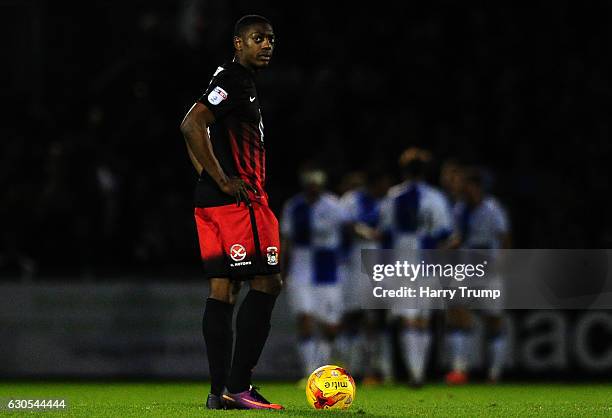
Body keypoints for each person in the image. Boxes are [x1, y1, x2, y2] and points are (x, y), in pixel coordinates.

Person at [180, 15, 283, 410]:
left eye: (271, 39)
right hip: (238, 204)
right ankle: (239, 386)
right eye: (258, 38)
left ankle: (219, 391)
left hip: (209, 203)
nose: (267, 45)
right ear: (238, 43)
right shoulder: (235, 80)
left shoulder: (224, 78)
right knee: (268, 282)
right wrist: (223, 180)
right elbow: (191, 125)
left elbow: (195, 128)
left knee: (223, 289)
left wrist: (208, 177)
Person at [378, 147, 453, 387]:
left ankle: (414, 372)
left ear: (403, 170)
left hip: (401, 263)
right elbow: (444, 233)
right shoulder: (436, 197)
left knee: (409, 319)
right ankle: (419, 373)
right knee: (424, 319)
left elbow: (385, 234)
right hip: (428, 262)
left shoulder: (393, 196)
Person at [445, 167, 511, 384]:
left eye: (470, 186)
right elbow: (456, 238)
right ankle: (459, 369)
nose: (467, 191)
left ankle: (494, 373)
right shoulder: (459, 210)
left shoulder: (493, 209)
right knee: (457, 312)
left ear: (478, 188)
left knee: (493, 320)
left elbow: (504, 239)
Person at [281, 167, 348, 382]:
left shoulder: (334, 205)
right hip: (301, 271)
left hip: (328, 272)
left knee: (330, 327)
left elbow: (349, 229)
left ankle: (324, 367)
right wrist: (281, 271)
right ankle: (310, 372)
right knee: (305, 320)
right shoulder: (294, 206)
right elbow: (286, 241)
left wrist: (345, 259)